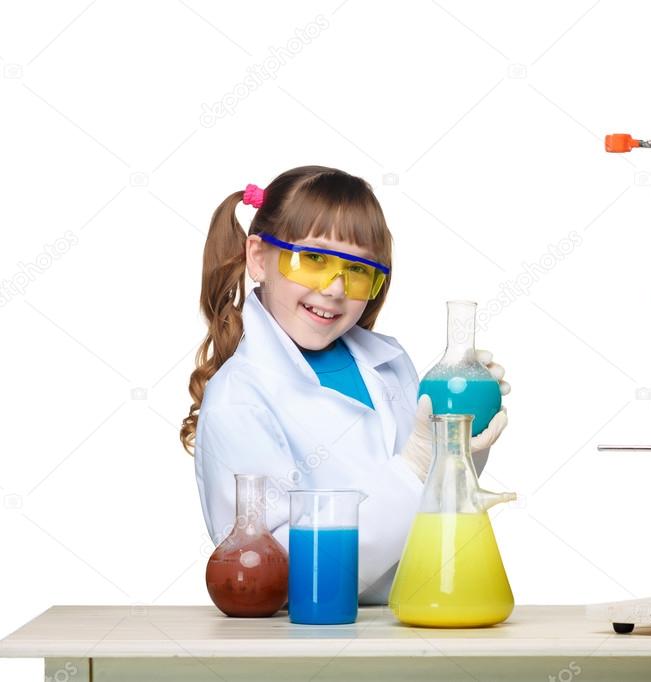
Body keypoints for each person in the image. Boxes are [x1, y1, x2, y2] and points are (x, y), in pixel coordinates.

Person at [180, 166, 510, 604]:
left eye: (357, 270)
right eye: (314, 260)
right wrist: (416, 467)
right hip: (313, 642)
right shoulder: (239, 397)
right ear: (259, 258)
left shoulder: (390, 365)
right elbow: (281, 577)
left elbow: (431, 517)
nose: (335, 288)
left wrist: (458, 454)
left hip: (420, 617)